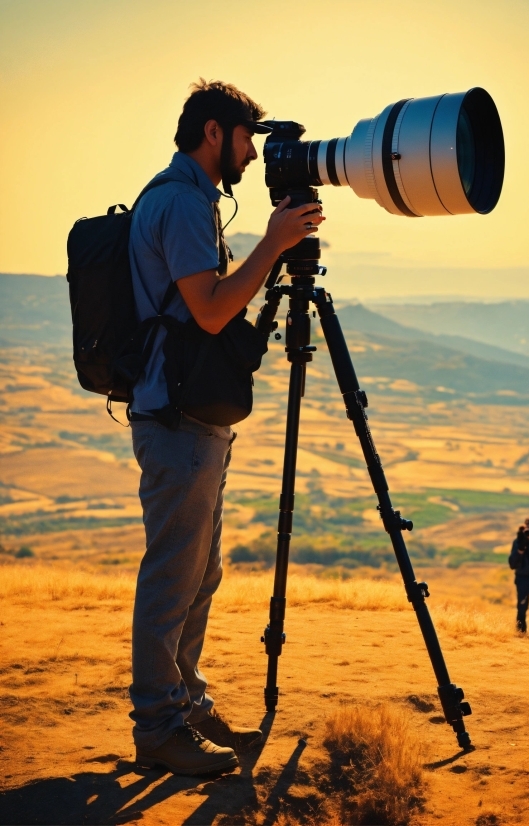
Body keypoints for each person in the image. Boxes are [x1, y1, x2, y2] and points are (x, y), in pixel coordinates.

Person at [127, 79, 325, 776]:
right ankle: (158, 724)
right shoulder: (181, 202)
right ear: (214, 133)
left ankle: (185, 704)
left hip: (192, 416)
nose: (252, 152)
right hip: (177, 418)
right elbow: (210, 311)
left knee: (199, 572)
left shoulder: (191, 199)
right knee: (173, 576)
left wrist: (271, 244)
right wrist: (273, 243)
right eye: (247, 137)